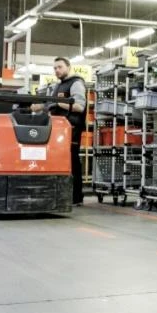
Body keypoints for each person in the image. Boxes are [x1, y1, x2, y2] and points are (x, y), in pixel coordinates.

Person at [47, 57, 87, 206]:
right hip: (59, 130)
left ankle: (76, 197)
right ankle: (63, 195)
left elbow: (79, 107)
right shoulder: (58, 86)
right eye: (55, 68)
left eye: (60, 67)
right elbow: (50, 105)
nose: (57, 70)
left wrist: (58, 103)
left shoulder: (76, 83)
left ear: (68, 67)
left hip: (72, 128)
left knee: (72, 160)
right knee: (59, 161)